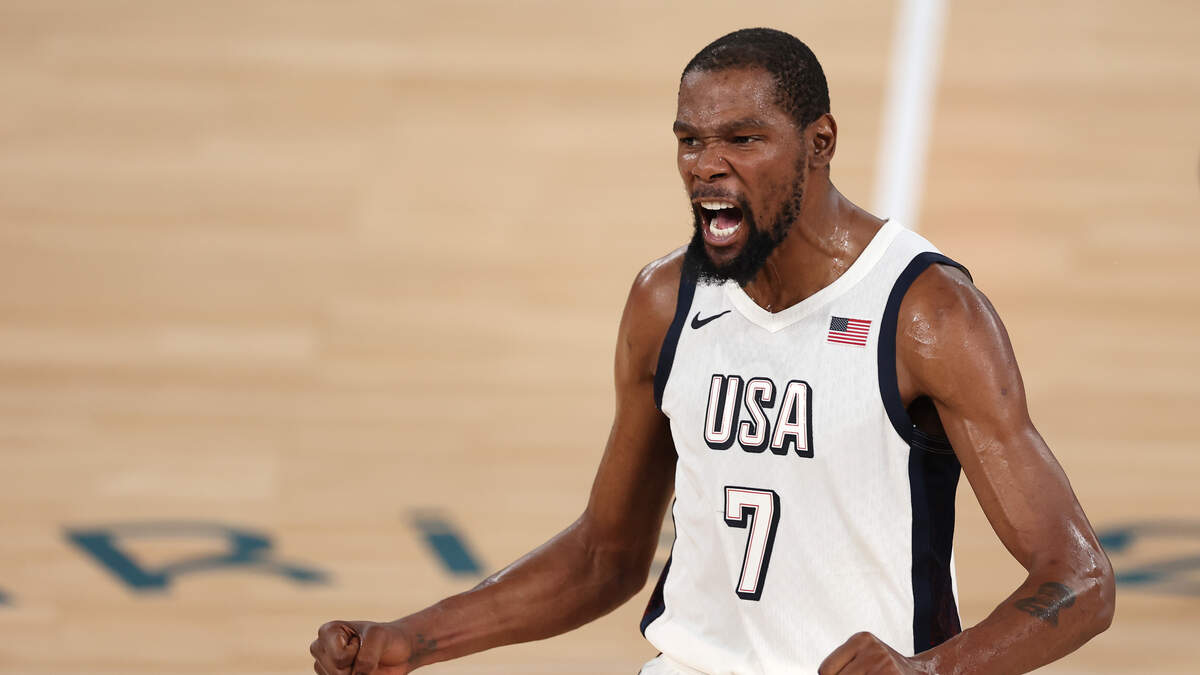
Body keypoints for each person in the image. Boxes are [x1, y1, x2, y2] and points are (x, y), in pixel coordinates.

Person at [310, 28, 1114, 674]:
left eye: (743, 138)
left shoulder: (925, 313)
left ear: (820, 142)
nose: (707, 166)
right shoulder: (666, 301)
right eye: (690, 140)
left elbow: (1077, 578)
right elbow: (605, 554)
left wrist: (931, 670)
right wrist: (412, 638)